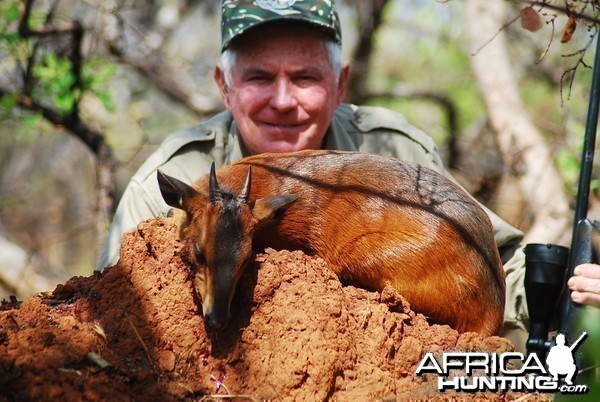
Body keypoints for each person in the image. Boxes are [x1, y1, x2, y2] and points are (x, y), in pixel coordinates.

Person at [97, 0, 599, 350]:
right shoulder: (176, 175)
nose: (283, 99)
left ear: (340, 84)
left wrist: (574, 296)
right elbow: (115, 308)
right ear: (224, 86)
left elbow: (494, 262)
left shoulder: (391, 146)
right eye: (258, 77)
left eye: (305, 77)